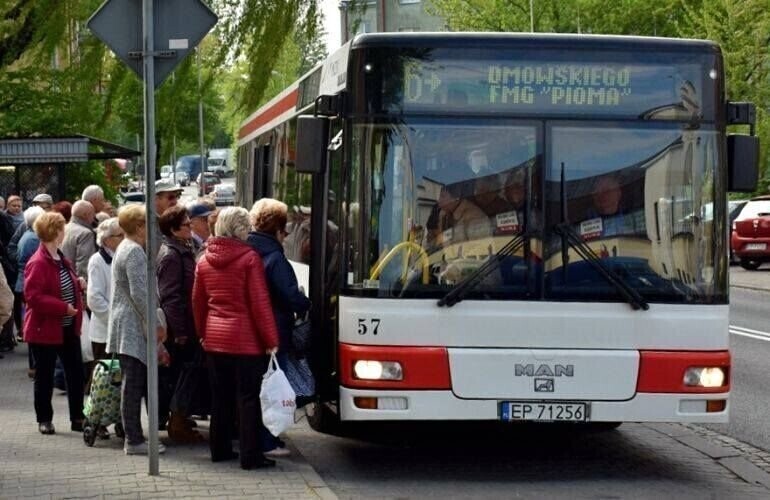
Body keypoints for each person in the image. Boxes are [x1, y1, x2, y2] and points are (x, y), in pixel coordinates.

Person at [192, 207, 279, 470]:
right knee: (248, 398)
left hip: (215, 340)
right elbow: (259, 303)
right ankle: (250, 456)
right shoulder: (249, 259)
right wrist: (271, 339)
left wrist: (203, 335)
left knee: (220, 397)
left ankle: (219, 450)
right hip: (246, 341)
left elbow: (197, 303)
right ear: (241, 229)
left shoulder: (204, 260)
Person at [247, 199, 311, 458]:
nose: (286, 237)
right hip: (274, 331)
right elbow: (288, 295)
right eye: (285, 232)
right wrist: (305, 301)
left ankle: (259, 438)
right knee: (273, 387)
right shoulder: (275, 257)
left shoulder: (248, 249)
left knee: (257, 387)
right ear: (277, 231)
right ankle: (268, 440)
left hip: (250, 331)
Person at [106, 204, 167, 455]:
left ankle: (134, 436)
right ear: (140, 226)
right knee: (133, 385)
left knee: (133, 384)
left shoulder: (126, 248)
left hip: (129, 323)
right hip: (132, 325)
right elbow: (141, 294)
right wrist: (156, 324)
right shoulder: (133, 252)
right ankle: (134, 439)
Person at [23, 211, 85, 435]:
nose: (64, 230)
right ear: (56, 231)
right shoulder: (38, 262)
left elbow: (62, 285)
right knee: (45, 376)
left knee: (76, 373)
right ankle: (44, 419)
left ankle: (78, 417)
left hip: (67, 327)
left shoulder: (60, 257)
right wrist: (62, 307)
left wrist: (78, 283)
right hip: (46, 329)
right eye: (62, 227)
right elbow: (33, 297)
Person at [157, 205, 204, 443]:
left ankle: (181, 419)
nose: (191, 226)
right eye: (186, 224)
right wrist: (181, 332)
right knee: (183, 376)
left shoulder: (184, 248)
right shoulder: (171, 255)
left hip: (188, 324)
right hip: (181, 328)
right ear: (174, 229)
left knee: (187, 375)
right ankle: (177, 424)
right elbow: (170, 297)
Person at [579, 174, 645, 241]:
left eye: (607, 191)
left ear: (618, 193)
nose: (602, 196)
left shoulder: (633, 216)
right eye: (597, 193)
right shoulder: (582, 221)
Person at [426, 183, 491, 249]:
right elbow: (438, 243)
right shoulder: (443, 214)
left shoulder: (475, 217)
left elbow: (481, 251)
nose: (439, 200)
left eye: (443, 196)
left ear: (456, 198)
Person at [61, 200, 97, 283]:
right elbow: (83, 265)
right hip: (76, 283)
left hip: (63, 280)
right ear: (85, 215)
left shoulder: (63, 229)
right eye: (92, 213)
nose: (94, 217)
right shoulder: (85, 234)